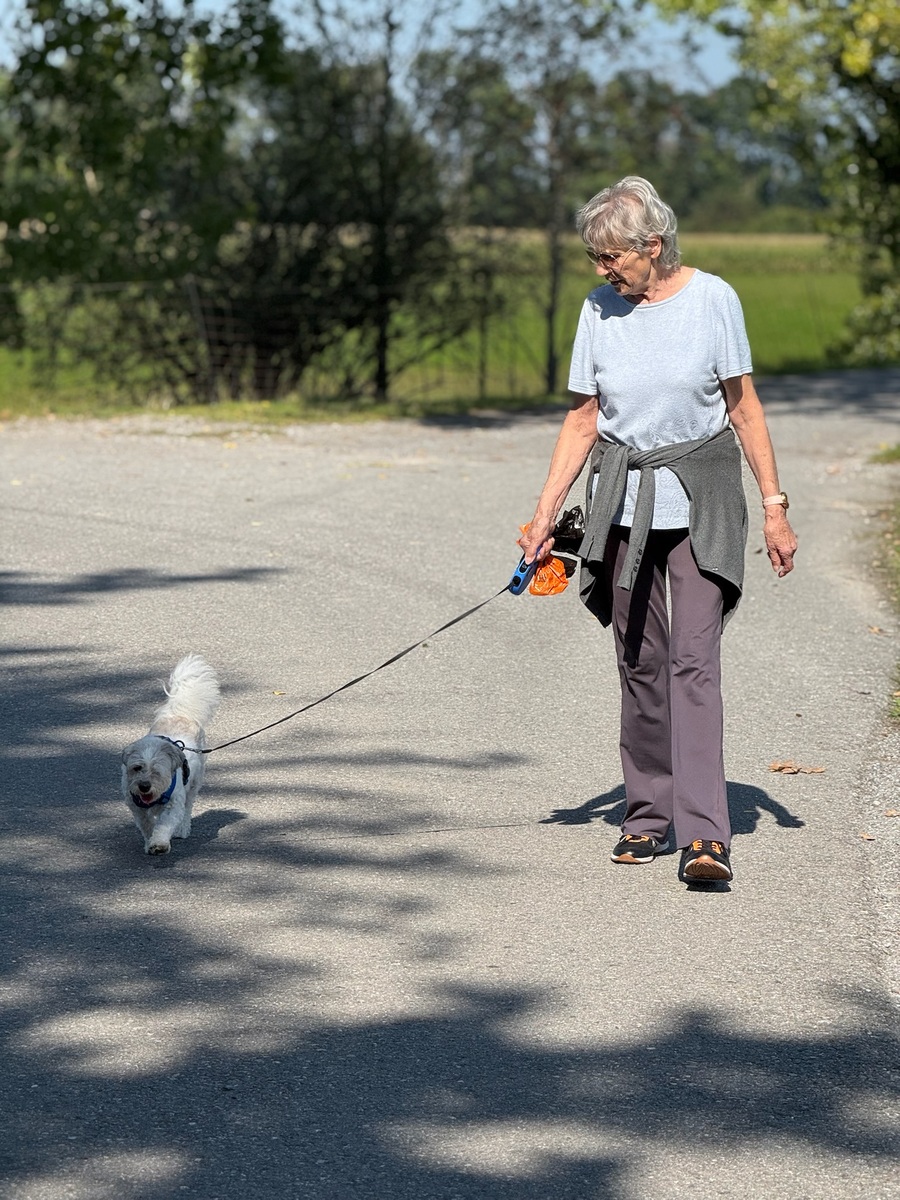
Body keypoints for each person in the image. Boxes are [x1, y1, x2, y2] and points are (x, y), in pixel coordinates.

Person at [518, 176, 797, 886]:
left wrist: (774, 506)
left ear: (652, 244)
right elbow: (583, 419)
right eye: (594, 257)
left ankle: (705, 834)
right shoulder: (598, 309)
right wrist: (545, 515)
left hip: (701, 502)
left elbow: (744, 408)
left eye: (611, 256)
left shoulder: (713, 300)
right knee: (641, 663)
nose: (602, 269)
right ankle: (646, 814)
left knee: (693, 662)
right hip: (622, 505)